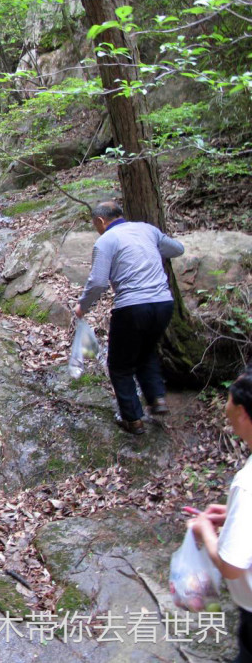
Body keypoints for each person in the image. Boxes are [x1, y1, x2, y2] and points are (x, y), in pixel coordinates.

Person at [75, 201, 185, 435]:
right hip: (163, 303)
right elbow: (177, 249)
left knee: (120, 365)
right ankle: (157, 398)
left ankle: (133, 419)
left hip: (132, 307)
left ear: (100, 221)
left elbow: (98, 282)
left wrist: (82, 307)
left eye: (95, 225)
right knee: (146, 350)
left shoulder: (106, 240)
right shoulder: (147, 230)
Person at [188, 367, 252, 663]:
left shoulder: (247, 484)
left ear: (242, 413)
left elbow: (231, 567)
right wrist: (233, 516)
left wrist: (206, 532)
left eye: (229, 400)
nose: (225, 407)